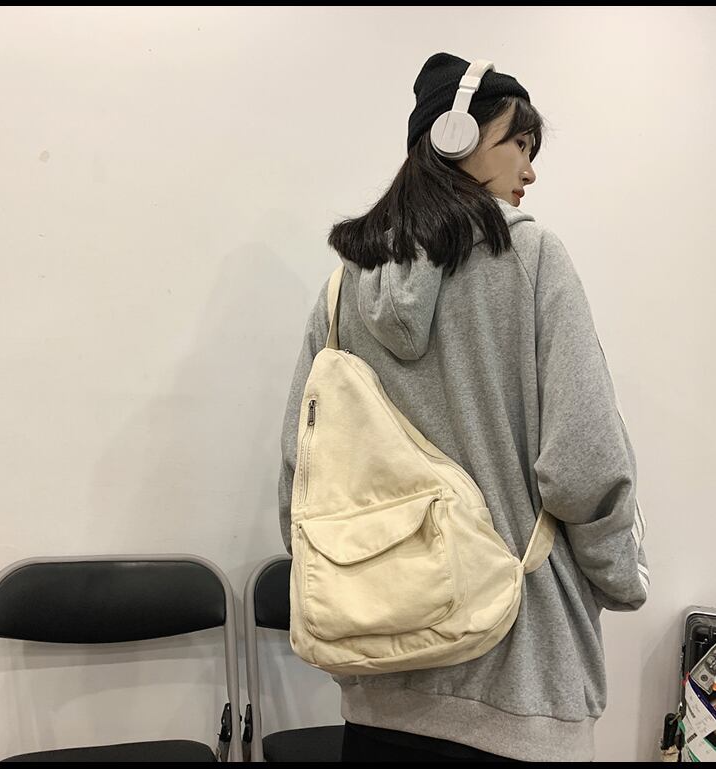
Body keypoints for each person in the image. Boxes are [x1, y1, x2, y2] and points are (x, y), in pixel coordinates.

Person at [278, 52, 649, 763]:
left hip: (381, 688)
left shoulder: (340, 294)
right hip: (522, 681)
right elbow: (583, 465)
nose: (530, 170)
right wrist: (622, 579)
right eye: (519, 143)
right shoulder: (533, 258)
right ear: (454, 136)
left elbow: (301, 479)